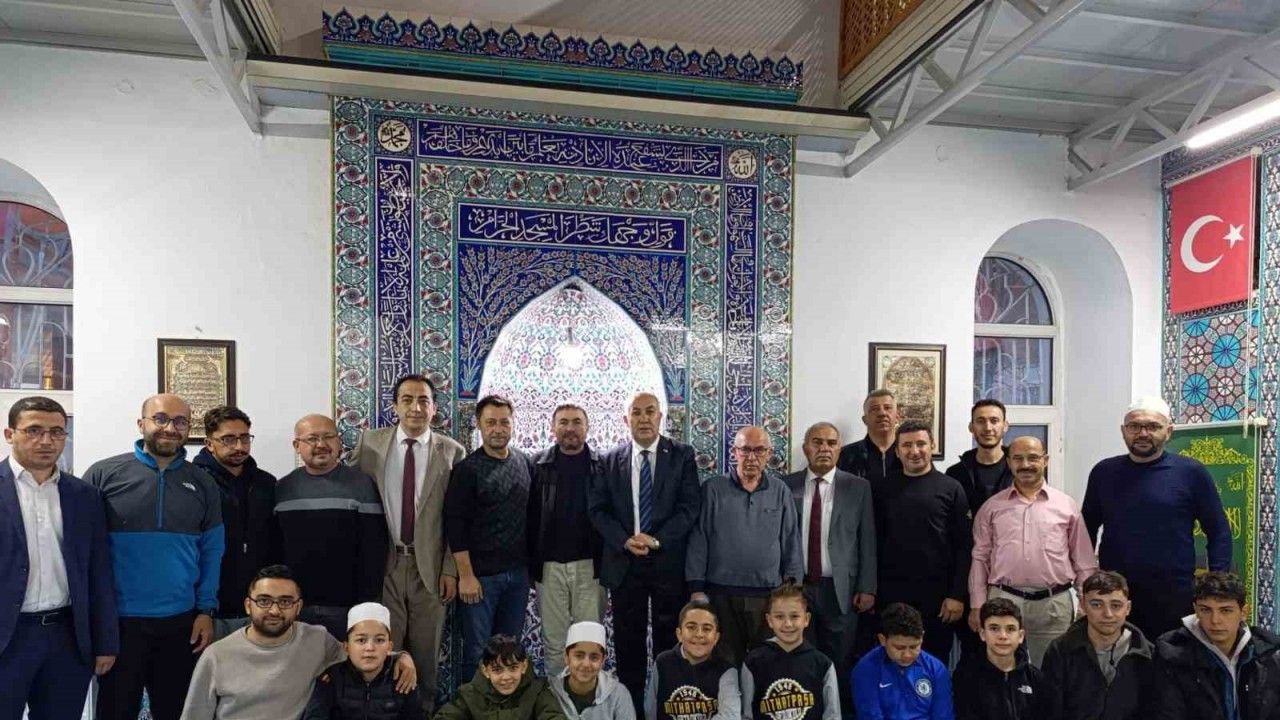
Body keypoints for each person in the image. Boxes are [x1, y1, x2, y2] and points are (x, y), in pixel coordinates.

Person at [87, 393, 224, 720]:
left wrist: (205, 610)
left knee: (176, 712)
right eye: (160, 419)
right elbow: (84, 552)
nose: (170, 428)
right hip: (119, 624)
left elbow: (212, 550)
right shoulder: (104, 474)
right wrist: (95, 621)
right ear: (141, 423)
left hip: (181, 623)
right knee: (114, 711)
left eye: (180, 421)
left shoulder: (203, 482)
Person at [349, 373, 466, 712]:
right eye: (407, 400)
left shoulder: (452, 452)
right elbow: (351, 495)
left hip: (430, 568)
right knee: (385, 649)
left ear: (434, 408)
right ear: (395, 406)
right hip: (384, 564)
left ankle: (423, 711)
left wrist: (451, 569)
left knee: (426, 656)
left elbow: (458, 517)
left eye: (423, 401)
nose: (415, 408)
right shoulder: (370, 444)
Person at [0, 396, 117, 720]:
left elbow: (99, 572)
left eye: (56, 432)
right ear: (10, 434)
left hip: (66, 638)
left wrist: (105, 642)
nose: (46, 441)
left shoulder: (84, 496)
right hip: (8, 637)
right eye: (34, 430)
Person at [180, 565, 417, 720]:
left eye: (285, 601)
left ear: (298, 607)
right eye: (264, 601)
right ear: (248, 605)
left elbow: (363, 652)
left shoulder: (317, 640)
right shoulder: (216, 656)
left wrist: (401, 657)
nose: (274, 610)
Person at [1082, 396, 1232, 640]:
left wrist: (1216, 586)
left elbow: (1218, 532)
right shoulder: (1103, 473)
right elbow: (1085, 531)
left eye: (1153, 426)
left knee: (1172, 659)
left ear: (1169, 431)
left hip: (1175, 597)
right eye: (1134, 426)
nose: (1143, 433)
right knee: (1119, 660)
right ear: (1123, 431)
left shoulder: (1191, 473)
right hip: (1115, 597)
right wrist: (1087, 583)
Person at [589, 392, 700, 718]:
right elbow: (597, 510)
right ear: (626, 420)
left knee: (669, 643)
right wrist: (625, 541)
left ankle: (667, 710)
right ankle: (632, 712)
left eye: (650, 411)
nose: (644, 418)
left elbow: (689, 508)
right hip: (625, 564)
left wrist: (656, 540)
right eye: (636, 413)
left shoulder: (681, 455)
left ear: (660, 417)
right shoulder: (609, 460)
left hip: (667, 562)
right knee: (628, 645)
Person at [968, 435, 1097, 666]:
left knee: (1052, 671)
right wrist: (977, 603)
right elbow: (980, 558)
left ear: (1045, 460)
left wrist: (1086, 602)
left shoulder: (1066, 506)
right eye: (1018, 458)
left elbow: (1084, 561)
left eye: (1033, 458)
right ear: (1009, 462)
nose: (1025, 464)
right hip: (1003, 600)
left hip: (1053, 604)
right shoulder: (991, 508)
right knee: (1000, 670)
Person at [687, 426, 802, 665]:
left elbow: (791, 538)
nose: (751, 457)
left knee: (765, 663)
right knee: (726, 662)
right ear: (734, 452)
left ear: (769, 454)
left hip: (768, 594)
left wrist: (792, 586)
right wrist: (696, 586)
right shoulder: (713, 489)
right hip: (722, 594)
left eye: (759, 450)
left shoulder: (780, 491)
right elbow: (699, 538)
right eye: (745, 450)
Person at [783, 421, 875, 720]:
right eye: (817, 442)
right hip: (797, 589)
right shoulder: (786, 485)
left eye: (831, 443)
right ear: (805, 448)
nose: (824, 448)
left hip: (841, 590)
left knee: (840, 660)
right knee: (800, 657)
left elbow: (866, 539)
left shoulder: (858, 487)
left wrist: (867, 587)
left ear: (839, 449)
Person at [444, 395, 537, 685]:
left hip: (517, 578)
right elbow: (455, 525)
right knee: (477, 651)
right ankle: (475, 706)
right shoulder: (467, 470)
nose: (498, 429)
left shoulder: (524, 462)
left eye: (504, 422)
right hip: (480, 580)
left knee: (509, 651)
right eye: (491, 422)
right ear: (479, 425)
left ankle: (505, 707)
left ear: (513, 424)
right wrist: (466, 576)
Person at [277, 414, 388, 639]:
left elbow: (374, 549)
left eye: (328, 437)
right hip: (295, 607)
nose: (321, 444)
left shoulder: (362, 485)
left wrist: (365, 604)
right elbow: (275, 548)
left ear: (339, 442)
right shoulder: (282, 488)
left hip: (347, 607)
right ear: (297, 446)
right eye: (312, 438)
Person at [872, 420, 971, 663]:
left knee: (933, 663)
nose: (914, 451)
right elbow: (873, 543)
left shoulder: (951, 488)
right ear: (897, 451)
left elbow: (964, 546)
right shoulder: (882, 489)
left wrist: (957, 595)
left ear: (932, 446)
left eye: (921, 444)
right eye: (907, 445)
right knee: (892, 662)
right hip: (891, 596)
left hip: (939, 600)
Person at [528, 405, 605, 678]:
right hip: (549, 568)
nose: (570, 428)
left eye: (576, 422)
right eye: (563, 422)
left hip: (591, 567)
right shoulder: (537, 465)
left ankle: (588, 699)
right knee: (555, 643)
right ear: (552, 428)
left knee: (589, 641)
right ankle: (557, 700)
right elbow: (529, 517)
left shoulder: (603, 466)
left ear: (587, 427)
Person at [194, 405, 280, 640]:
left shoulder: (266, 483)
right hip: (207, 609)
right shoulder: (193, 482)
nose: (239, 446)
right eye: (229, 439)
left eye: (245, 438)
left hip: (259, 604)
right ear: (209, 443)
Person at [1150, 571, 1280, 720]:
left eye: (1226, 610)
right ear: (1196, 610)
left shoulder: (1268, 653)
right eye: (1205, 610)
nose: (1215, 620)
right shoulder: (1171, 654)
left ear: (1243, 612)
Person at [1041, 571, 1154, 720]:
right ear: (1083, 605)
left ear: (1128, 608)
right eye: (1096, 605)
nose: (1107, 614)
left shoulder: (1149, 655)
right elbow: (1050, 711)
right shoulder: (1060, 650)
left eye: (1116, 605)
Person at [303, 602, 424, 720]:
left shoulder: (403, 679)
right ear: (347, 647)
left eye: (379, 640)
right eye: (361, 640)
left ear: (389, 647)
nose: (370, 648)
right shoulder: (331, 680)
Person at [740, 583, 839, 720]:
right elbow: (746, 715)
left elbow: (832, 716)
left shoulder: (823, 664)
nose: (787, 624)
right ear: (769, 620)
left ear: (806, 619)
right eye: (779, 617)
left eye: (794, 616)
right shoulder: (753, 662)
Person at [951, 599, 1056, 720]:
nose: (1003, 636)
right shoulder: (967, 677)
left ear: (1020, 636)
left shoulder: (1035, 679)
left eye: (1010, 629)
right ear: (982, 634)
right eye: (994, 628)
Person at [851, 603, 953, 720]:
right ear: (883, 640)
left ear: (922, 637)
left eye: (914, 647)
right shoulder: (866, 669)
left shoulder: (936, 669)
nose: (907, 655)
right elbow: (871, 716)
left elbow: (943, 715)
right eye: (899, 648)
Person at [645, 600, 740, 720]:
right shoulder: (663, 663)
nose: (699, 634)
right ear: (679, 634)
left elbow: (731, 716)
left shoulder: (727, 670)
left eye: (706, 629)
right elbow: (650, 712)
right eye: (691, 627)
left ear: (716, 638)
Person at [432, 635, 565, 720]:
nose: (506, 677)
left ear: (524, 666)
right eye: (497, 670)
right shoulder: (469, 695)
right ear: (485, 670)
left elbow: (553, 716)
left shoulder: (538, 691)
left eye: (513, 668)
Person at [548, 621, 633, 720]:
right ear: (566, 657)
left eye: (594, 657)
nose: (586, 664)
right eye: (579, 656)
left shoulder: (618, 695)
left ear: (603, 661)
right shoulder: (551, 692)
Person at [944, 400, 1012, 518]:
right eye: (980, 421)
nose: (988, 428)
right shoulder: (955, 474)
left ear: (1005, 426)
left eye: (994, 421)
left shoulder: (1018, 471)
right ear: (971, 427)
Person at [836, 390, 901, 484]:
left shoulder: (908, 454)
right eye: (874, 409)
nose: (882, 413)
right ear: (865, 420)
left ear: (897, 416)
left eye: (887, 408)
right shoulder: (845, 455)